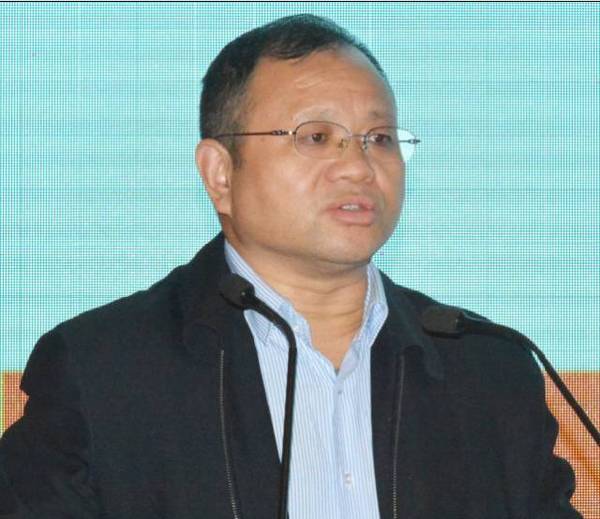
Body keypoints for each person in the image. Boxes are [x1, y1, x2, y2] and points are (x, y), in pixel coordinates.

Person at [0, 14, 581, 519]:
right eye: (317, 136)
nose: (358, 166)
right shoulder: (103, 370)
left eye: (379, 138)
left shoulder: (490, 369)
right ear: (220, 174)